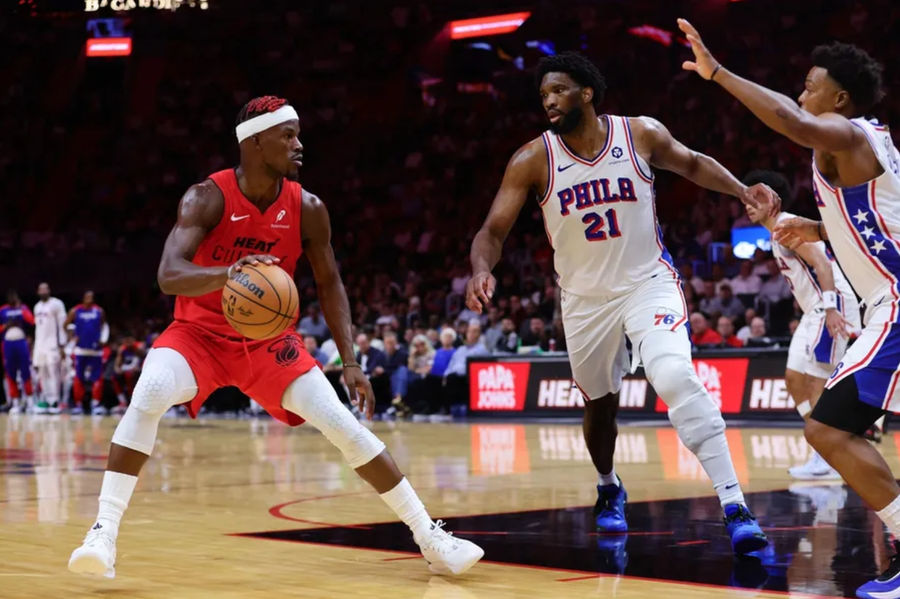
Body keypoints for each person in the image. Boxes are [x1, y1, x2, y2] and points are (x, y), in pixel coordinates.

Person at [68, 96, 482, 579]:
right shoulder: (206, 197)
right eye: (288, 135)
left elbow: (330, 283)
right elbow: (168, 274)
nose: (299, 144)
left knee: (340, 422)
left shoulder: (308, 208)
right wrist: (230, 275)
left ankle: (429, 537)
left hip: (269, 342)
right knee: (152, 390)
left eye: (299, 134)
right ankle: (103, 532)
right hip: (198, 333)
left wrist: (350, 360)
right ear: (255, 141)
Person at [466, 52, 771, 553]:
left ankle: (734, 504)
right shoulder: (532, 158)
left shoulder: (640, 134)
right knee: (600, 408)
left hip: (647, 281)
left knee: (673, 375)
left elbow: (692, 163)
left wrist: (742, 191)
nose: (549, 101)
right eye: (543, 95)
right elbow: (493, 230)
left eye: (558, 90)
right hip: (584, 301)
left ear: (587, 92)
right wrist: (482, 269)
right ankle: (608, 484)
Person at [678, 20, 897, 596]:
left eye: (809, 85)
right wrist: (821, 223)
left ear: (839, 99)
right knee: (832, 426)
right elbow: (881, 225)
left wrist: (718, 72)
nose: (801, 95)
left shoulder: (846, 135)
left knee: (826, 427)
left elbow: (793, 122)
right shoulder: (870, 144)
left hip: (894, 301)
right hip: (884, 300)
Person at [744, 169, 861, 480]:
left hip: (831, 306)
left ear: (773, 200)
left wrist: (831, 309)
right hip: (814, 312)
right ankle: (827, 441)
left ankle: (827, 455)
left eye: (756, 198)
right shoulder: (775, 233)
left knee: (816, 381)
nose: (748, 204)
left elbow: (822, 264)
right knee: (794, 378)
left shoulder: (785, 226)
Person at [65, 291, 108, 415]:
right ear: (83, 298)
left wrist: (103, 339)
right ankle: (78, 404)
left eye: (92, 297)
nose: (90, 299)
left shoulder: (99, 311)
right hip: (80, 350)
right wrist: (72, 336)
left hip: (96, 351)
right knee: (78, 377)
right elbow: (65, 325)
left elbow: (105, 326)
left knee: (97, 378)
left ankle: (96, 404)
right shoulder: (75, 311)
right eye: (88, 297)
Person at [32, 282, 67, 414]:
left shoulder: (57, 304)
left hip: (53, 344)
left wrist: (62, 344)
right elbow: (37, 329)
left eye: (45, 289)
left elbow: (61, 324)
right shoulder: (37, 307)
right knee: (42, 373)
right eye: (40, 289)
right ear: (38, 292)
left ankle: (55, 401)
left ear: (49, 290)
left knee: (54, 373)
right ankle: (46, 399)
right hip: (40, 345)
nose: (43, 291)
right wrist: (35, 348)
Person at [0, 290, 35, 414]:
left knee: (26, 372)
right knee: (10, 373)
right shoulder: (3, 310)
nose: (12, 299)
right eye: (10, 297)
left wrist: (21, 308)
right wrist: (5, 326)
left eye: (14, 297)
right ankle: (15, 402)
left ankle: (30, 402)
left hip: (21, 342)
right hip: (8, 343)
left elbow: (31, 320)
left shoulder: (23, 308)